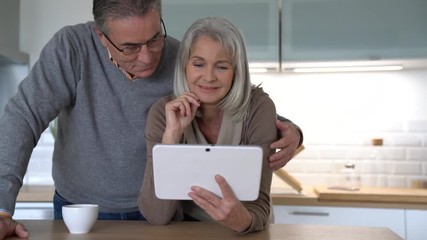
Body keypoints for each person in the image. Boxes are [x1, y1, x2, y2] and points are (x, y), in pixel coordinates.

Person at [0, 0, 302, 239]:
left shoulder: (179, 56)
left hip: (160, 213)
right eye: (130, 47)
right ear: (101, 36)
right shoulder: (72, 49)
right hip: (81, 210)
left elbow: (233, 97)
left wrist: (293, 132)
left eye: (155, 38)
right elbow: (23, 118)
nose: (147, 57)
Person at [139, 16, 276, 233]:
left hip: (244, 232)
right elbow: (157, 215)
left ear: (237, 71)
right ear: (185, 65)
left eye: (221, 67)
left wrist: (241, 220)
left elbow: (259, 207)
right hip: (185, 233)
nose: (209, 77)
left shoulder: (260, 108)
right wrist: (171, 137)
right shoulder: (163, 113)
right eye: (199, 64)